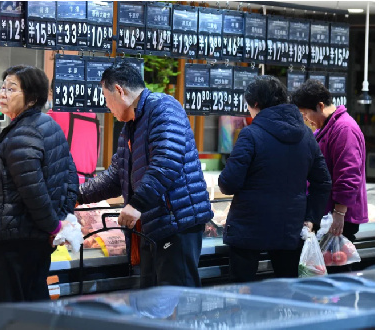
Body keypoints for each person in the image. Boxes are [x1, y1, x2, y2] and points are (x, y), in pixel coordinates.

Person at [76, 62, 213, 288]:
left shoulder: (164, 107)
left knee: (178, 297)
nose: (106, 105)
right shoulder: (130, 126)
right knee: (153, 302)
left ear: (119, 91)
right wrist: (77, 195)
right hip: (153, 226)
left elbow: (167, 159)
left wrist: (137, 204)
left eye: (106, 97)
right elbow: (115, 177)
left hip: (176, 224)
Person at [0, 65, 78, 303]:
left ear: (32, 97)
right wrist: (59, 220)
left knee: (10, 314)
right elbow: (71, 178)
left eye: (11, 89)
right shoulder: (49, 125)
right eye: (2, 87)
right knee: (34, 307)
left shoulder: (23, 132)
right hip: (36, 240)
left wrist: (54, 226)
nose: (3, 94)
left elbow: (33, 190)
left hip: (15, 242)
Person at [218, 75, 332, 283]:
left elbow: (228, 183)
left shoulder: (251, 135)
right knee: (286, 298)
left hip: (248, 232)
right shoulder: (306, 135)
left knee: (243, 300)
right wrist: (311, 217)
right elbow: (323, 181)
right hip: (289, 230)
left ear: (255, 104)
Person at [291, 80, 368, 263]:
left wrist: (339, 214)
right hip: (326, 215)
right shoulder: (326, 128)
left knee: (338, 267)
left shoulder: (344, 129)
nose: (306, 119)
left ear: (320, 106)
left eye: (306, 113)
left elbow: (348, 174)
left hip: (340, 217)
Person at [47, 79, 100, 184]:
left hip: (65, 184)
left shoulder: (55, 115)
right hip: (90, 185)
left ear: (52, 92)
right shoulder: (93, 116)